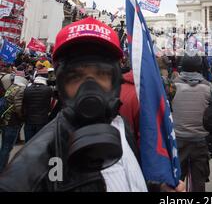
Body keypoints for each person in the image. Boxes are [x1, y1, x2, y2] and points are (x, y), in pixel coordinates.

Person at [0, 17, 183, 192]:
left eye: (101, 74)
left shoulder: (121, 126)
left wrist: (158, 188)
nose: (90, 90)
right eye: (76, 76)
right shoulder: (26, 174)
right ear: (61, 85)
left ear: (116, 80)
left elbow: (128, 180)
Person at [172, 54, 212, 192]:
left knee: (176, 181)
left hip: (178, 139)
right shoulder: (208, 86)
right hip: (201, 140)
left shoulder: (173, 85)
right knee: (199, 181)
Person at [0, 72, 28, 172]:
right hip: (12, 122)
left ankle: (2, 166)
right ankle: (2, 169)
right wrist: (22, 116)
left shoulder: (10, 89)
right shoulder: (19, 90)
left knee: (4, 146)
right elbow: (18, 106)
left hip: (5, 121)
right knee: (7, 147)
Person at [22, 75, 53, 142]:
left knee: (28, 143)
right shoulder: (48, 89)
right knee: (40, 142)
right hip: (42, 120)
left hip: (29, 120)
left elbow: (24, 104)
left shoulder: (27, 89)